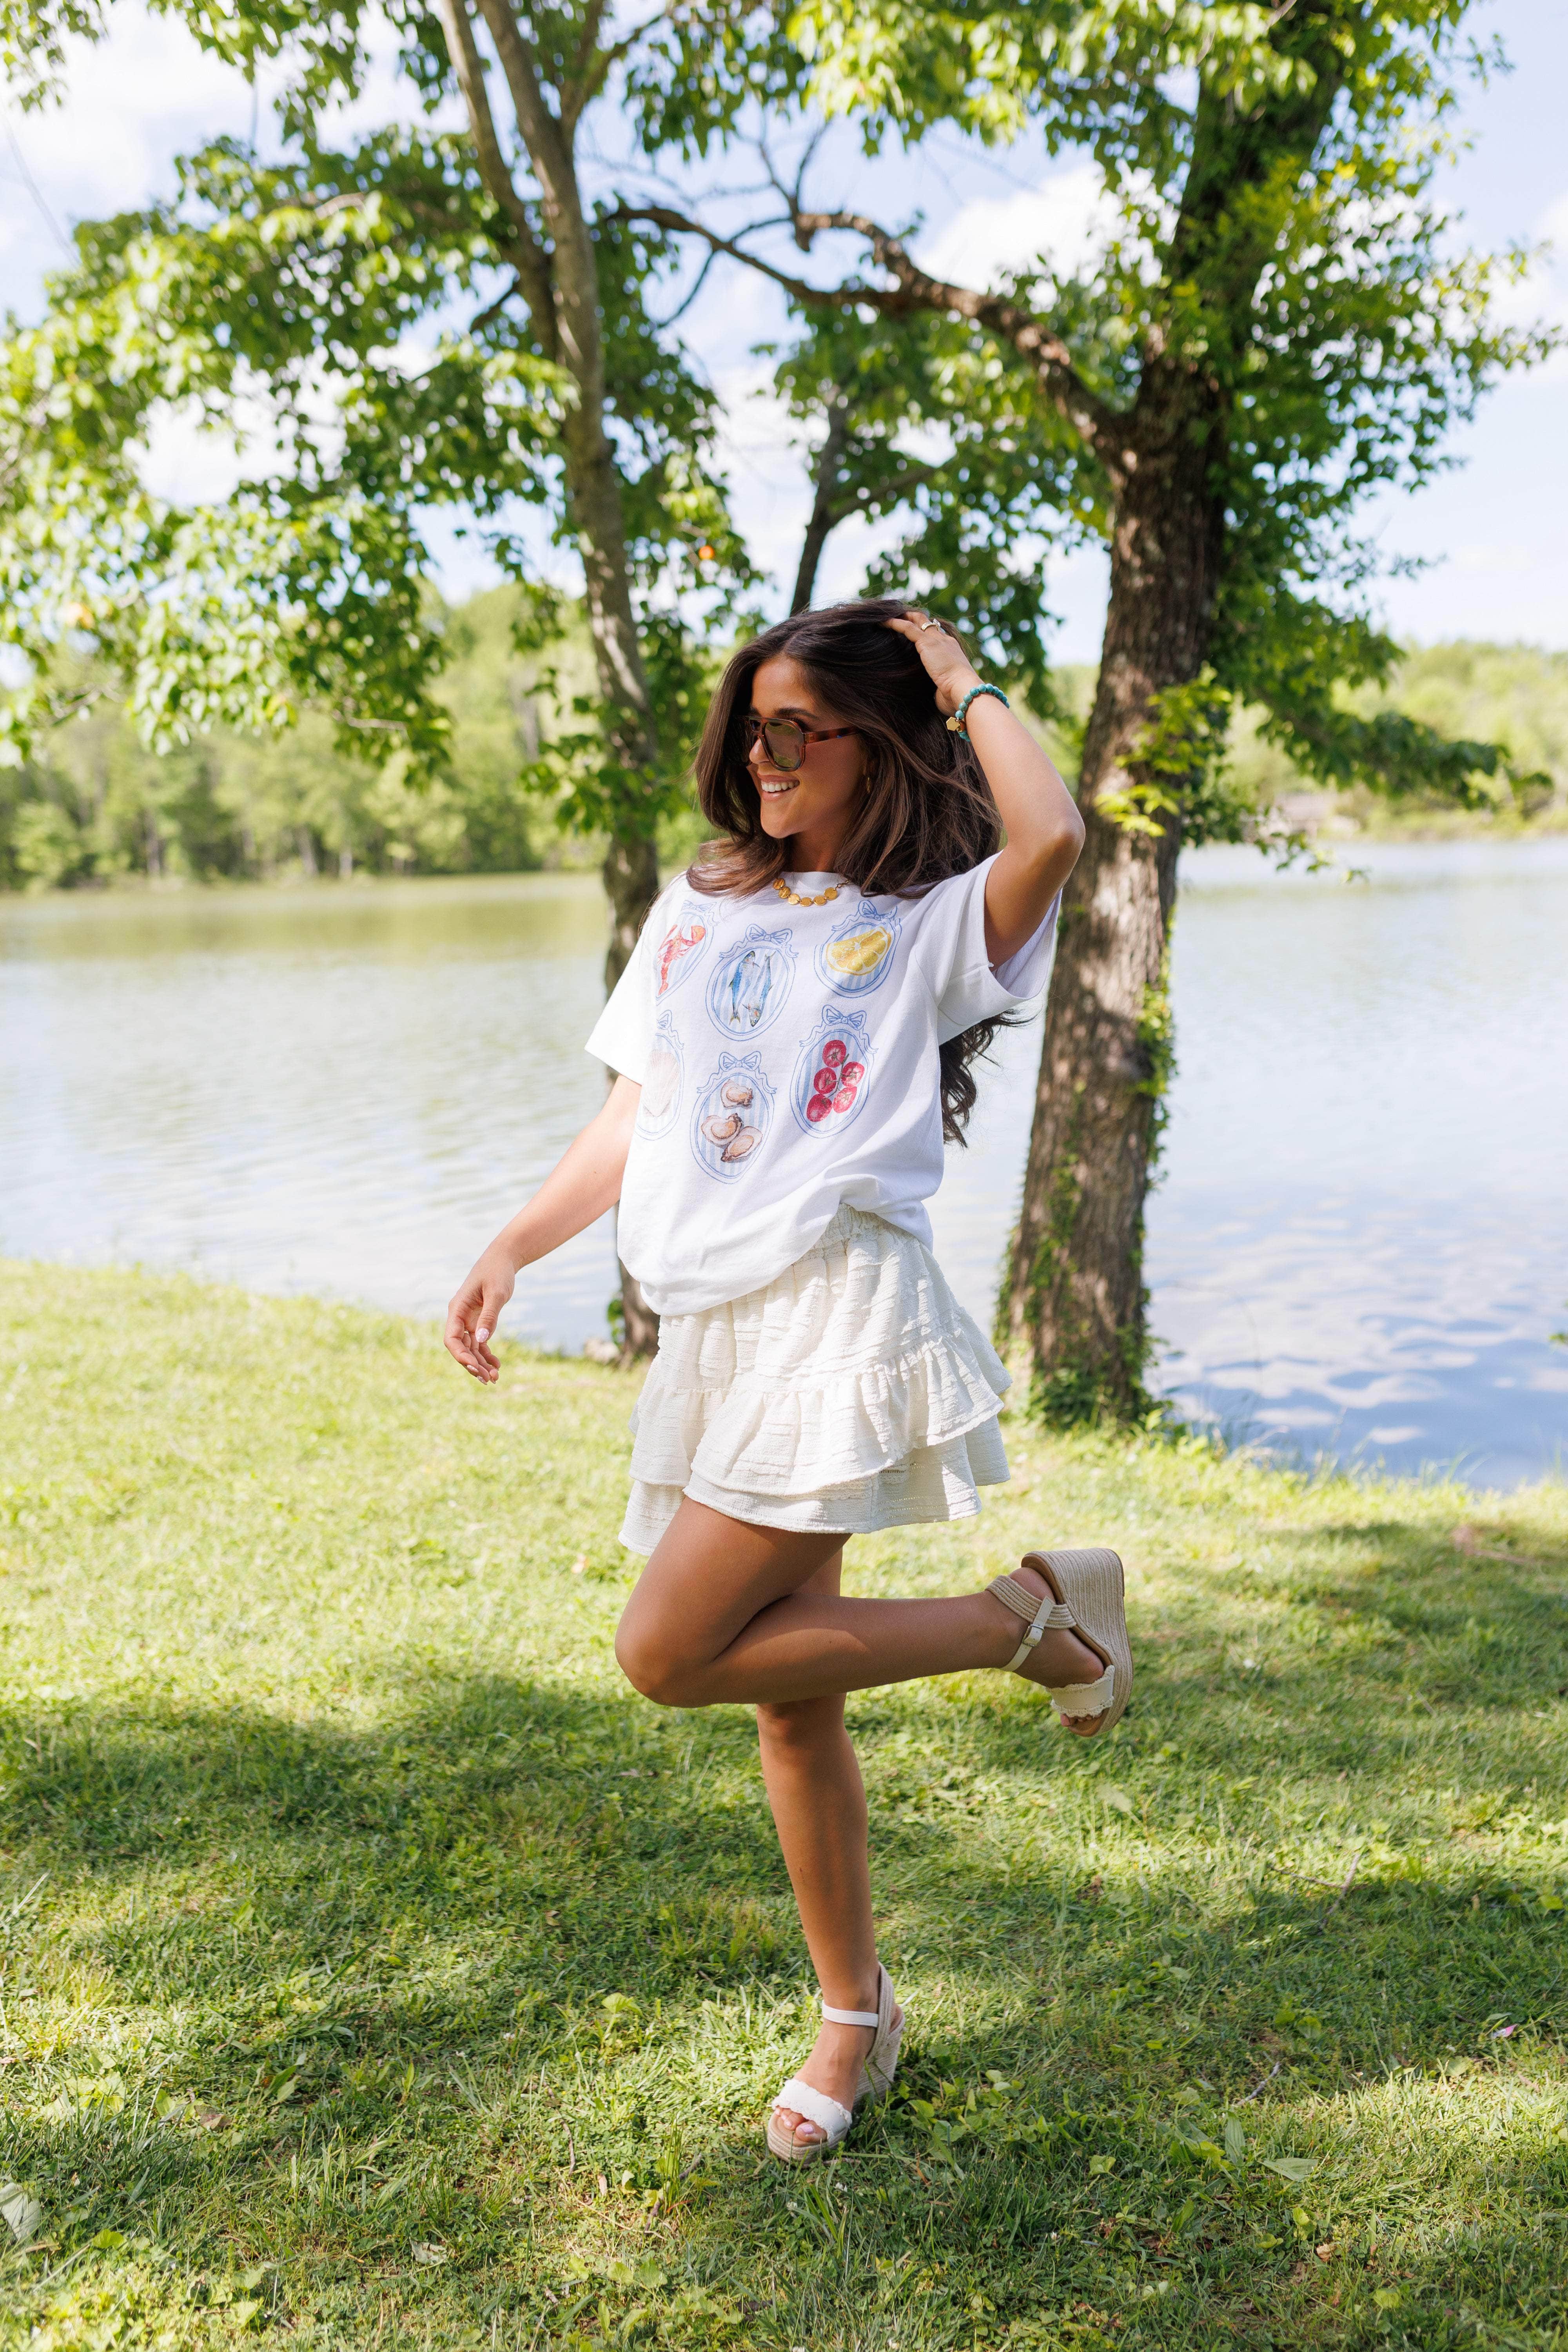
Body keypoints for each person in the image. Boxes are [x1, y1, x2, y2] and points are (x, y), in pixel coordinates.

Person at [445, 599, 1132, 2164]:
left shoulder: (926, 924)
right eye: (747, 727)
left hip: (833, 1304)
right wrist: (515, 1243)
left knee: (668, 1650)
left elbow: (1051, 833)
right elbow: (636, 1112)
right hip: (716, 1325)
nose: (760, 757)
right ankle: (853, 2016)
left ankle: (1028, 1620)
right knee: (789, 1703)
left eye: (794, 730)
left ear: (872, 744)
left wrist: (958, 679)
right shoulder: (699, 904)